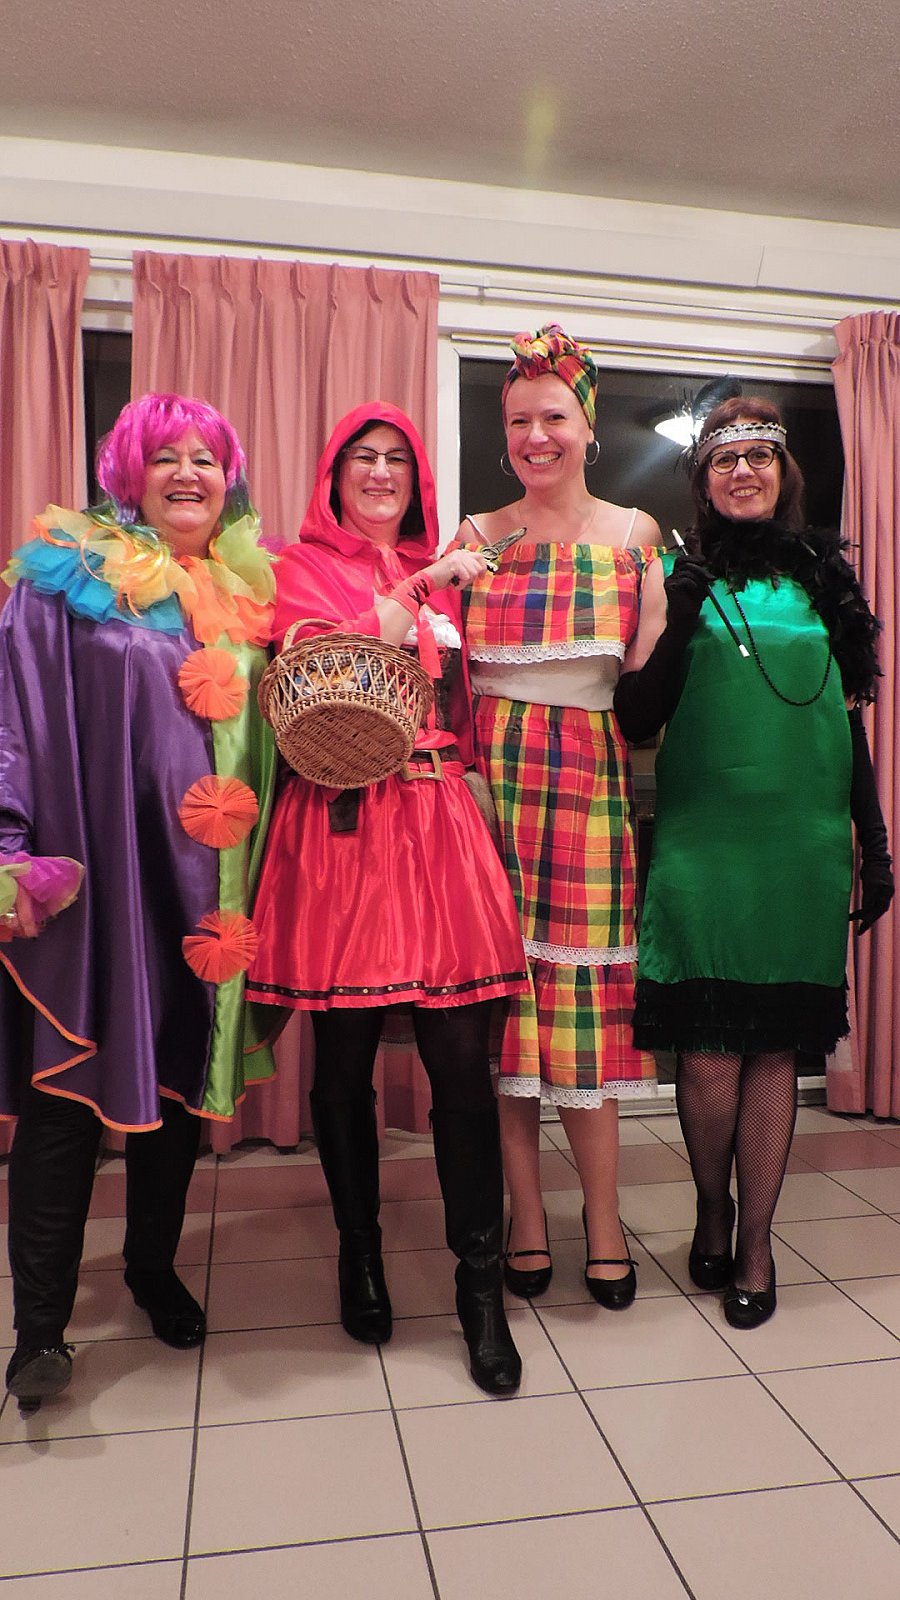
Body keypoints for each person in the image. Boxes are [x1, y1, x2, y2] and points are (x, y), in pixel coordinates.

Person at [246, 402, 528, 1396]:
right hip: (344, 826)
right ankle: (358, 1255)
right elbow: (324, 669)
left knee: (461, 1064)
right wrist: (422, 584)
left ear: (417, 480)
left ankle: (480, 1288)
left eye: (396, 460)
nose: (380, 472)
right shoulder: (298, 566)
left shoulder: (446, 566)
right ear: (334, 474)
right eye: (362, 457)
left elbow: (471, 702)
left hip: (438, 819)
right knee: (344, 1061)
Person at [0, 394, 277, 1406]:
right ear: (128, 473)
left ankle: (151, 1269)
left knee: (173, 1089)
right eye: (166, 456)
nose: (189, 472)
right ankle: (39, 1331)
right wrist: (9, 847)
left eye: (206, 457)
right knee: (65, 1096)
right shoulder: (69, 575)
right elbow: (13, 706)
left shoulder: (241, 594)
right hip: (97, 872)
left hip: (200, 883)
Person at [614, 396, 892, 1328]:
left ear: (783, 475)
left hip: (801, 848)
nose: (744, 471)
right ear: (703, 482)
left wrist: (874, 843)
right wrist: (684, 606)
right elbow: (636, 715)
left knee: (774, 1046)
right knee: (706, 1051)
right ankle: (712, 1206)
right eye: (725, 459)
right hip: (704, 843)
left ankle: (758, 1244)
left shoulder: (826, 581)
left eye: (760, 458)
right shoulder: (672, 576)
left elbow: (848, 727)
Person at [454, 325, 660, 1307]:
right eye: (518, 421)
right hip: (488, 797)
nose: (536, 436)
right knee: (505, 1018)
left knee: (581, 1012)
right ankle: (526, 1215)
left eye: (554, 417)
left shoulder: (635, 535)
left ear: (587, 427)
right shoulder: (475, 537)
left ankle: (604, 1217)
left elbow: (650, 682)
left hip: (587, 790)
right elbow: (434, 668)